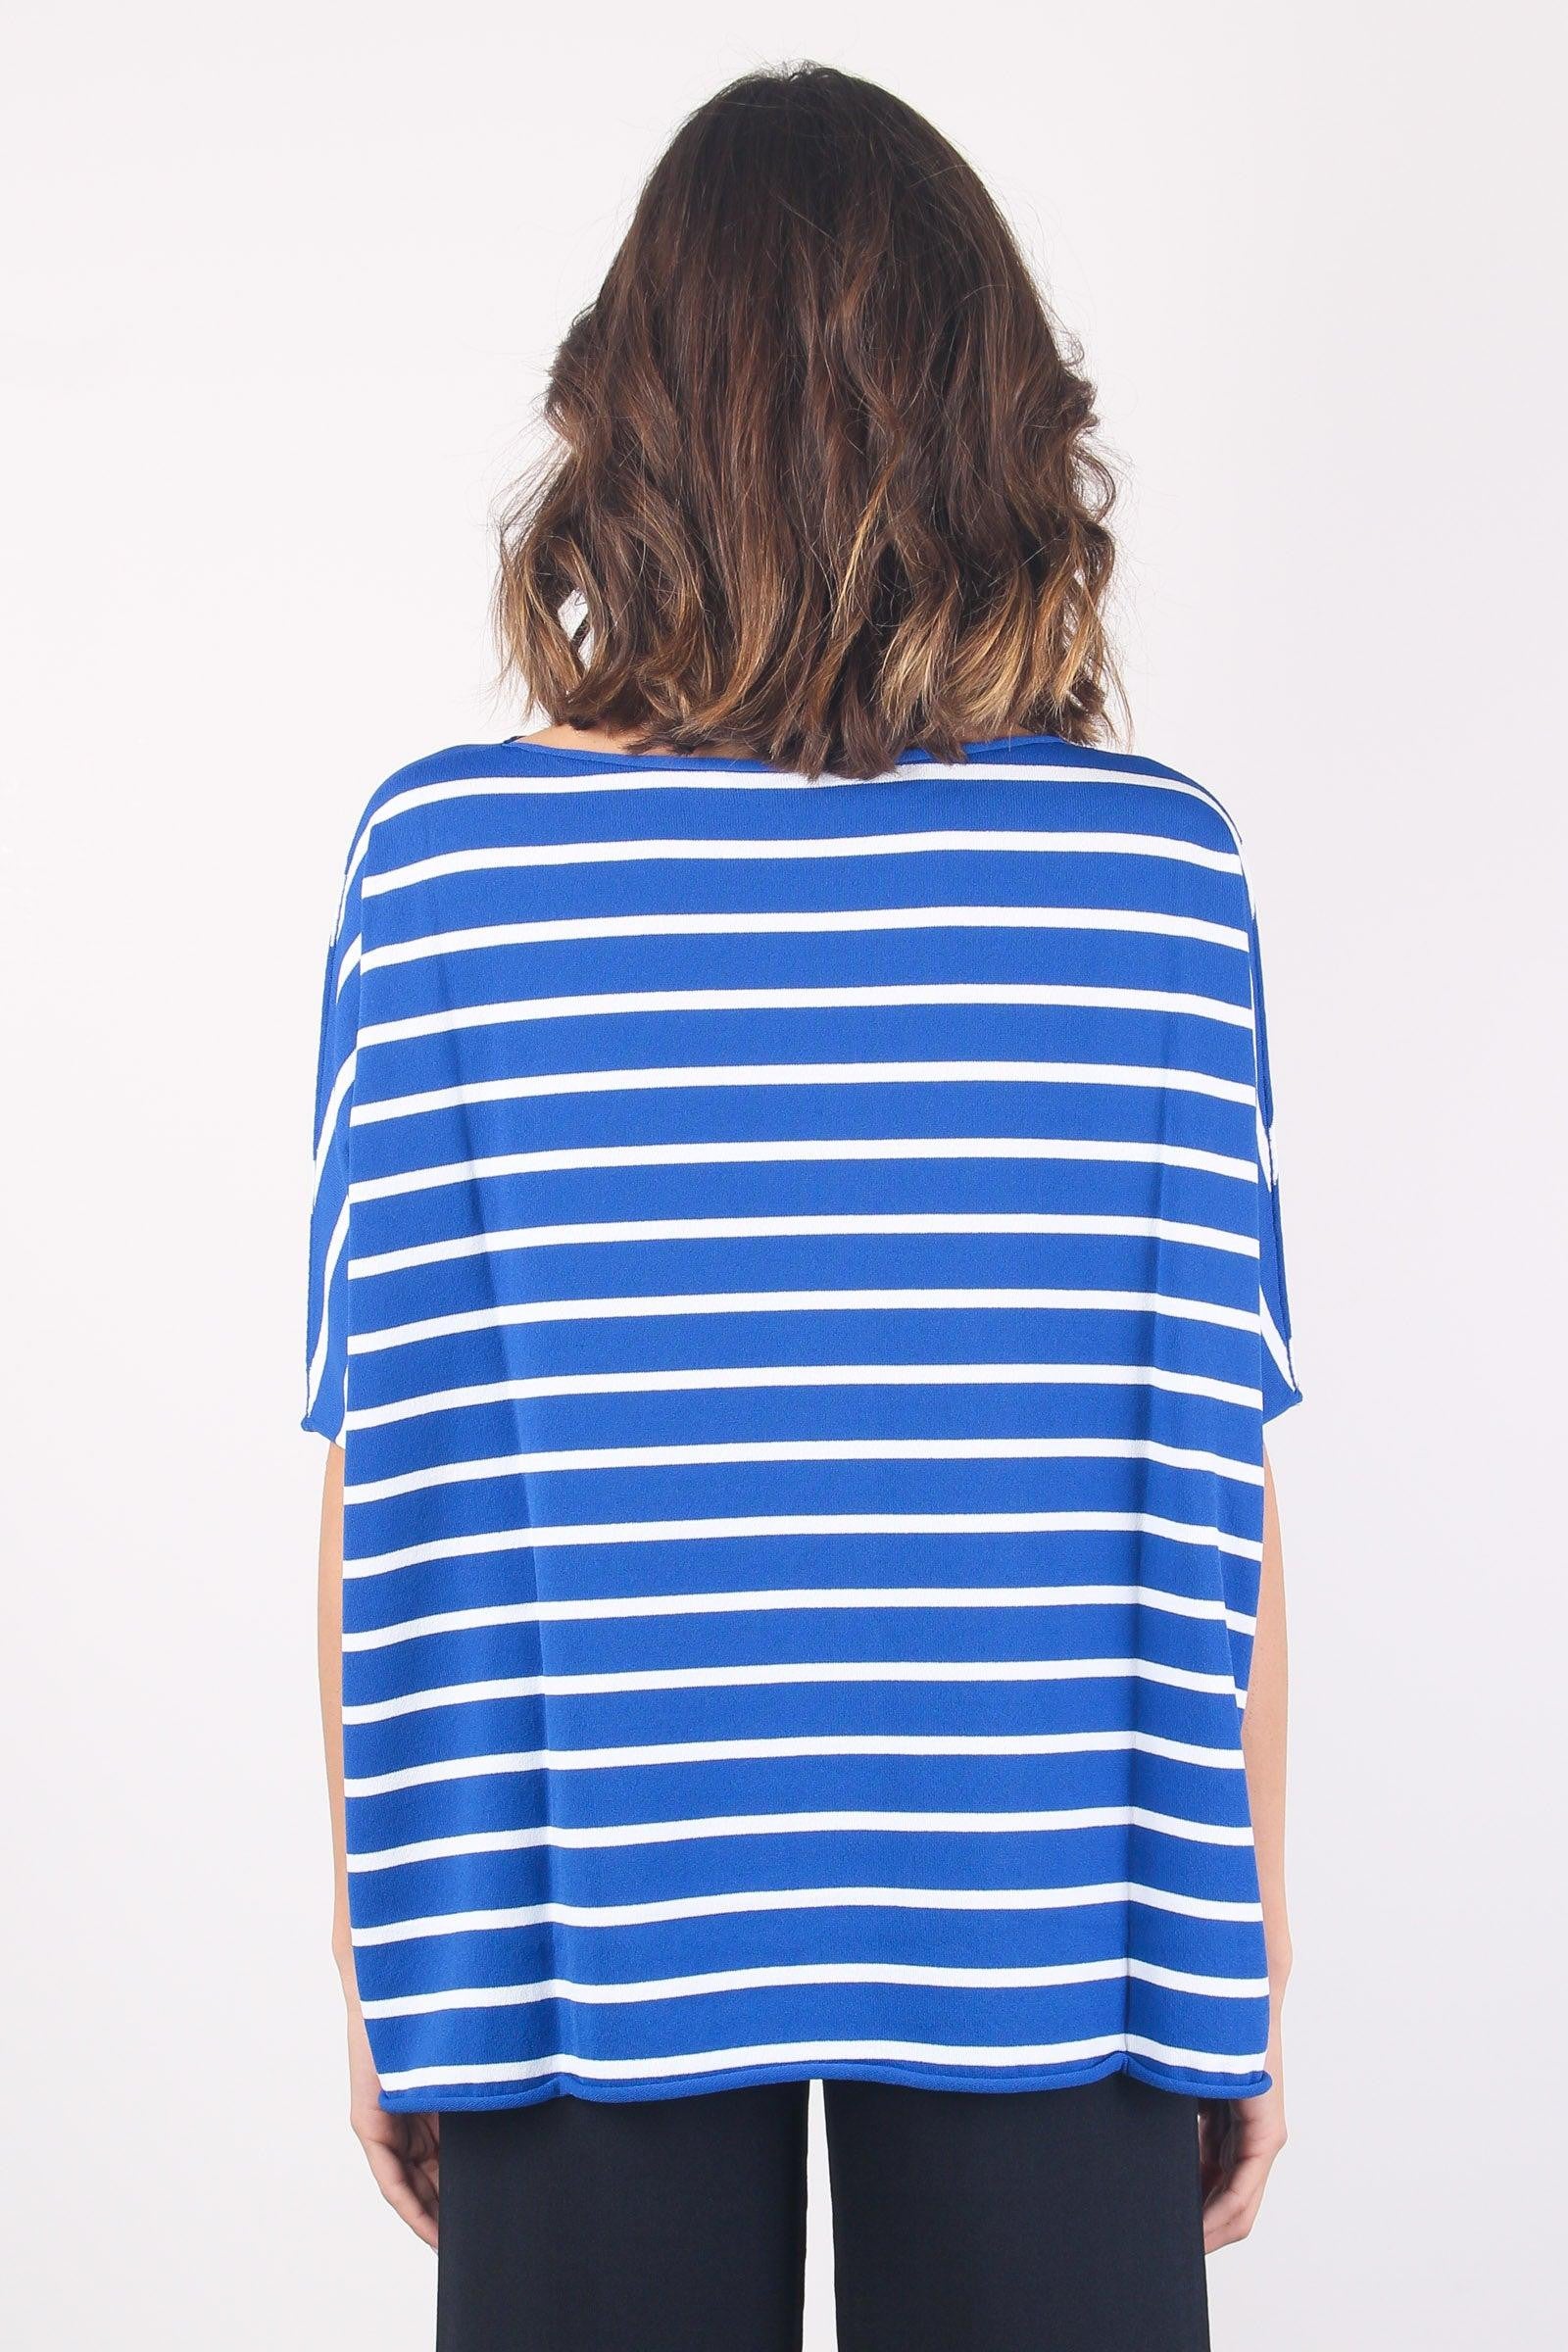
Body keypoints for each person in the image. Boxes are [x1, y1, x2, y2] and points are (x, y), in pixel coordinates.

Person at [305, 62, 1300, 2352]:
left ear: (628, 419)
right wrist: (1232, 1964)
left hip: (582, 1928)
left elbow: (397, 1473)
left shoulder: (445, 873)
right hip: (1055, 1930)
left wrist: (388, 1967)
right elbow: (1207, 1473)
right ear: (994, 421)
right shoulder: (1151, 879)